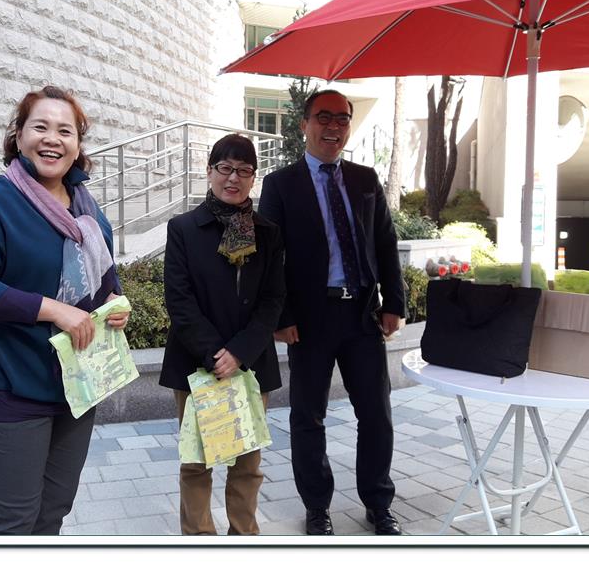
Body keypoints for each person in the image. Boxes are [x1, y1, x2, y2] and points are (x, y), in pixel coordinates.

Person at [0, 85, 129, 535]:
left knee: (52, 515)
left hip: (77, 387)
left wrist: (113, 301)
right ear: (19, 136)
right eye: (40, 127)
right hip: (10, 386)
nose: (52, 139)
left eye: (65, 131)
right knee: (11, 522)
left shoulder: (87, 207)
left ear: (78, 144)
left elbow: (105, 274)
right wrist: (54, 310)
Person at [258, 90, 405, 536]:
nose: (334, 127)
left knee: (376, 414)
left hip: (361, 315)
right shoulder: (281, 184)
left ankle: (378, 504)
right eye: (324, 117)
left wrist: (394, 303)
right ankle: (317, 507)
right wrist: (281, 315)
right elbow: (270, 256)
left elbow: (385, 242)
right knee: (308, 417)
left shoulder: (365, 178)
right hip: (309, 319)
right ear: (304, 124)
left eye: (343, 119)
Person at [160, 134, 285, 535]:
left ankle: (243, 539)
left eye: (244, 170)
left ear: (253, 177)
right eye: (225, 168)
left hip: (250, 363)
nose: (234, 178)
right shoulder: (183, 228)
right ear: (209, 171)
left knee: (248, 463)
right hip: (197, 363)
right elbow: (179, 299)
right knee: (197, 462)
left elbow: (273, 299)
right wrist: (217, 353)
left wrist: (239, 352)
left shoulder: (268, 233)